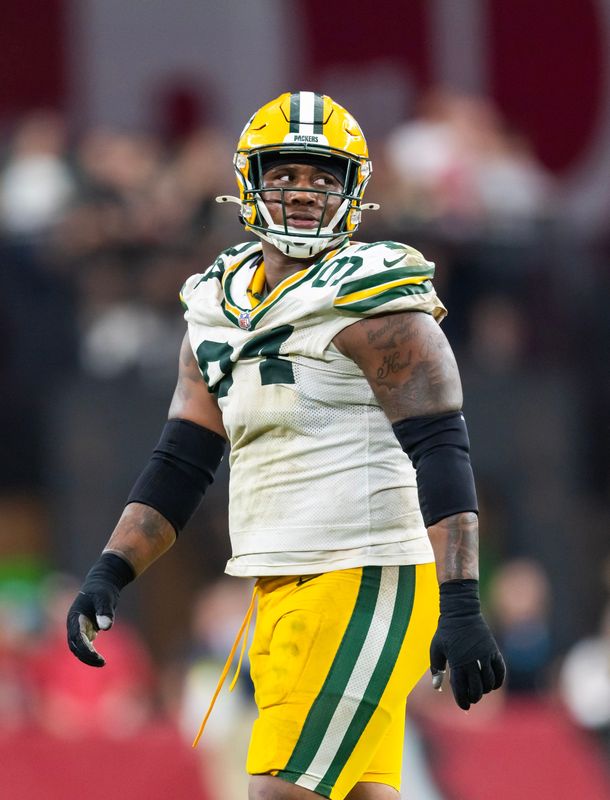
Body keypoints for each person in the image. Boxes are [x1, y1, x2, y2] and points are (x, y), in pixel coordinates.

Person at [66, 91, 505, 800]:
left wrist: (461, 601)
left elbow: (443, 449)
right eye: (286, 175)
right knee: (356, 792)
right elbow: (182, 458)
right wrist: (111, 570)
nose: (304, 192)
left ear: (354, 192)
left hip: (367, 575)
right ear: (249, 181)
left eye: (324, 177)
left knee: (281, 792)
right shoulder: (217, 301)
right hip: (278, 583)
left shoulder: (375, 298)